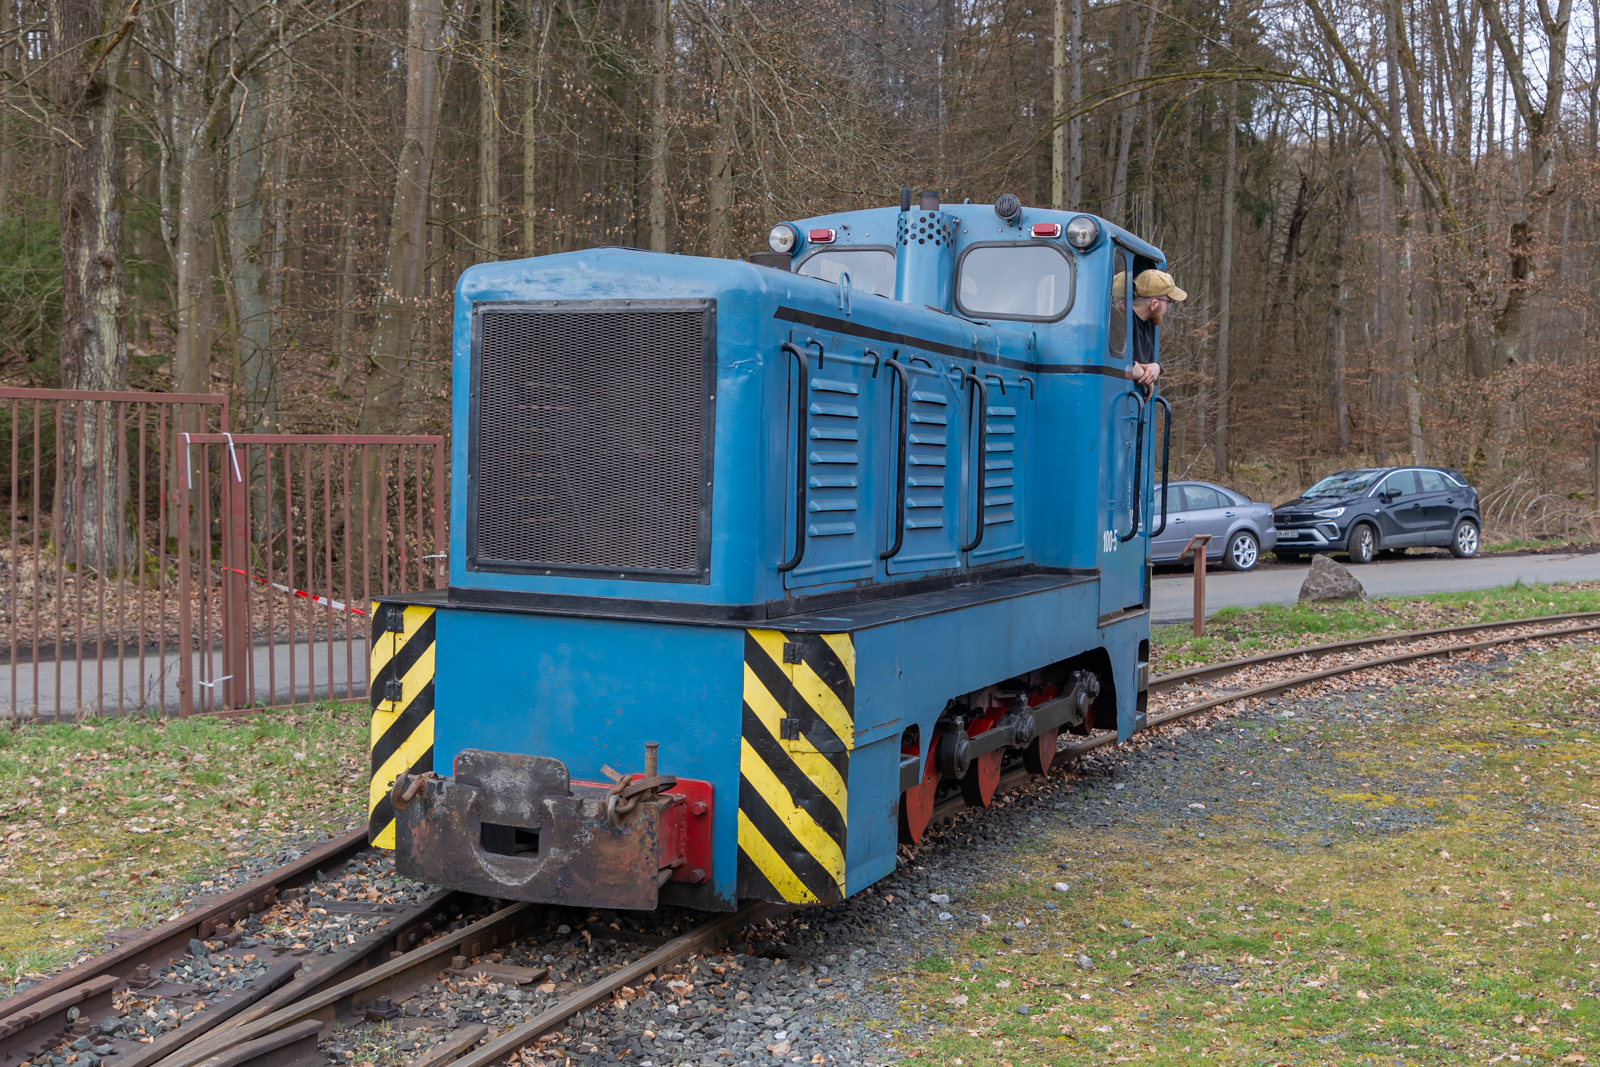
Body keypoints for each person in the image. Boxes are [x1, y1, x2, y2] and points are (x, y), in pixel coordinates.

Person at [1112, 269, 1187, 394]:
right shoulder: (1116, 324)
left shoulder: (1149, 323)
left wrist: (1157, 367)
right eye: (1169, 302)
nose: (1169, 307)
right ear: (1153, 304)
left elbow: (1140, 364)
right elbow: (1122, 366)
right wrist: (1147, 377)